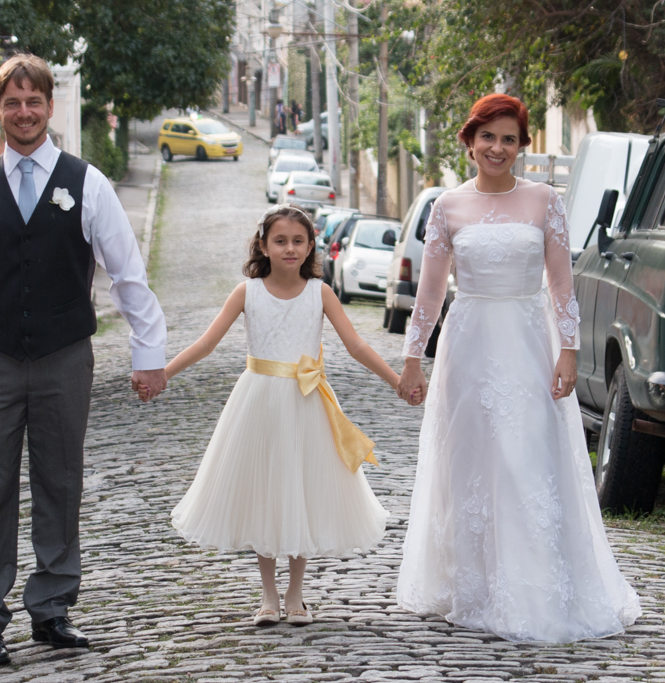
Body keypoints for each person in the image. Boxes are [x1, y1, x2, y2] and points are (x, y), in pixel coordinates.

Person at [0, 54, 167, 666]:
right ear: (0, 110)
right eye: (13, 102)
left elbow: (127, 274)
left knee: (60, 482)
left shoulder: (88, 183)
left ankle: (53, 609)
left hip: (64, 357)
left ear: (50, 107)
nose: (24, 112)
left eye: (34, 102)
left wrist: (149, 353)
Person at [394, 94, 640, 642]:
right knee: (472, 460)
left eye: (509, 139)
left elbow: (561, 284)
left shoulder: (544, 201)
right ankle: (473, 585)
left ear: (522, 146)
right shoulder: (447, 207)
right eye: (488, 137)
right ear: (470, 141)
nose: (497, 148)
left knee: (526, 458)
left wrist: (569, 349)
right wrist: (413, 360)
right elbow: (431, 292)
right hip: (470, 343)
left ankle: (534, 585)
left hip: (530, 342)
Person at [156, 205, 417, 626]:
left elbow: (358, 346)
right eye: (280, 241)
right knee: (266, 491)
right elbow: (206, 344)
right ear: (263, 245)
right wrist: (162, 375)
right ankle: (267, 594)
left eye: (298, 241)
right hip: (258, 401)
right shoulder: (247, 292)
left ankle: (296, 593)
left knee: (300, 490)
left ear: (311, 245)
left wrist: (397, 382)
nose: (289, 248)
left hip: (306, 401)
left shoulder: (321, 292)